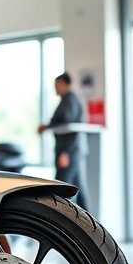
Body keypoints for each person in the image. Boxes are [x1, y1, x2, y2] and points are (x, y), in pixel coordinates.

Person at [38, 72, 89, 209]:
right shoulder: (67, 100)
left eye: (57, 85)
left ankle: (60, 221)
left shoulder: (70, 100)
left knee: (61, 189)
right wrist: (47, 126)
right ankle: (91, 225)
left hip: (69, 151)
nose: (55, 88)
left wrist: (65, 153)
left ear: (62, 83)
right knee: (79, 188)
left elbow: (69, 126)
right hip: (73, 151)